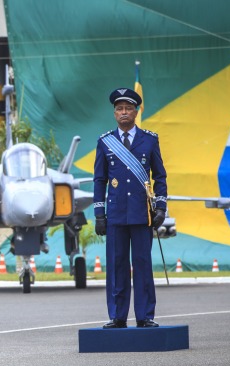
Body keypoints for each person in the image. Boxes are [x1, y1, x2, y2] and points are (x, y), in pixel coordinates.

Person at [93, 88, 167, 329]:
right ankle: (117, 316)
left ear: (136, 112)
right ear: (114, 113)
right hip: (115, 214)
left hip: (142, 213)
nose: (123, 113)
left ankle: (145, 316)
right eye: (119, 109)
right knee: (116, 265)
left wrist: (161, 208)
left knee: (143, 264)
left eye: (128, 108)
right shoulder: (105, 142)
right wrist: (99, 214)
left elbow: (160, 177)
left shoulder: (150, 139)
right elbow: (99, 180)